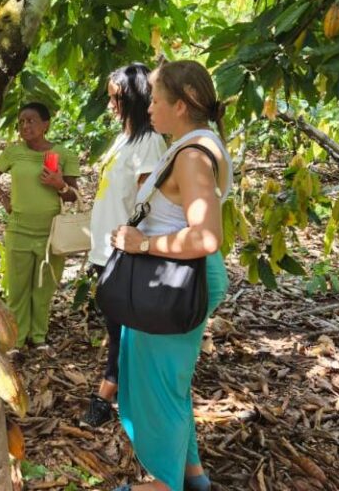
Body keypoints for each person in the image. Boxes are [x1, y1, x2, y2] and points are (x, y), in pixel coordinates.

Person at [109, 61, 232, 491]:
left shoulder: (193, 156)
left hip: (171, 282)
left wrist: (141, 244)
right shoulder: (193, 145)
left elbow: (206, 237)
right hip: (175, 280)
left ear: (181, 106)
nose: (150, 108)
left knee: (158, 388)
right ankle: (191, 474)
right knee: (169, 384)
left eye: (156, 99)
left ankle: (163, 485)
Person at [83, 63, 167, 427]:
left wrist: (141, 247)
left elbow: (151, 203)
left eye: (115, 97)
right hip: (106, 249)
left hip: (125, 253)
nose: (111, 104)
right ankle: (124, 387)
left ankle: (109, 391)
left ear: (132, 97)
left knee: (123, 327)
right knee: (115, 325)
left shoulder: (149, 143)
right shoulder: (124, 138)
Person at [0, 102, 80, 351]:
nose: (25, 126)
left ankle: (38, 337)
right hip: (18, 229)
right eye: (21, 122)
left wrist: (59, 184)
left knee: (43, 290)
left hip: (51, 233)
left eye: (31, 121)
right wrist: (4, 199)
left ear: (46, 124)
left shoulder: (63, 154)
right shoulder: (14, 152)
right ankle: (16, 339)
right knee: (17, 289)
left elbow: (73, 195)